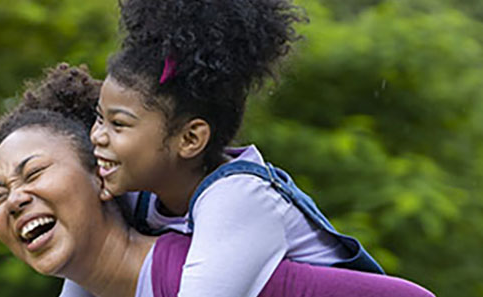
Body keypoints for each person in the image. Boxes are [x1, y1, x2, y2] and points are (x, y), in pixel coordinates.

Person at [0, 64, 433, 297]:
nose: (14, 200)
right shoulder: (123, 245)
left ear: (101, 179)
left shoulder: (225, 215)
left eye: (34, 173)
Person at [66, 0, 385, 296]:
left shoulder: (239, 198)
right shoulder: (134, 193)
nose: (97, 136)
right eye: (99, 119)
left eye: (118, 124)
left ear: (190, 140)